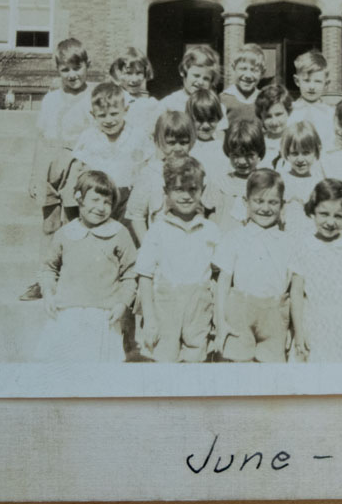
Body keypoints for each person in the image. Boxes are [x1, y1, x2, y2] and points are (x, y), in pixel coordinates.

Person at [36, 170, 137, 362]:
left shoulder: (118, 233)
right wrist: (49, 293)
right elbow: (49, 268)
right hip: (67, 314)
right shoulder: (66, 233)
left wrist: (123, 303)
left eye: (107, 202)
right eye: (95, 200)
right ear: (79, 199)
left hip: (103, 316)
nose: (101, 207)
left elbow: (130, 272)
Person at [22, 38, 93, 300]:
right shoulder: (51, 99)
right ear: (58, 71)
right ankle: (44, 279)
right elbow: (41, 138)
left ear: (87, 66)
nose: (72, 75)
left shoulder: (92, 97)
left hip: (78, 163)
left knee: (75, 223)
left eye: (77, 68)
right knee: (49, 224)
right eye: (65, 70)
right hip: (50, 163)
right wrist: (34, 175)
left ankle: (73, 278)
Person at [135, 157, 220, 363]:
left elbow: (218, 276)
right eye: (178, 189)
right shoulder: (158, 229)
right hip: (165, 307)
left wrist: (217, 317)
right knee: (163, 363)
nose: (186, 196)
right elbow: (145, 275)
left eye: (193, 189)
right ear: (166, 192)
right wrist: (150, 318)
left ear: (202, 190)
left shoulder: (211, 230)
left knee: (195, 363)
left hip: (199, 308)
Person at [288, 179, 342, 363]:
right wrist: (300, 332)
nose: (330, 222)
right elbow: (296, 293)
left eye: (338, 216)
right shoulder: (304, 247)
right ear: (313, 211)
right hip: (314, 323)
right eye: (324, 214)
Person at [214, 170, 291, 362]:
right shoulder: (234, 237)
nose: (265, 208)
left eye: (273, 202)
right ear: (245, 202)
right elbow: (223, 283)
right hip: (240, 313)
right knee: (239, 370)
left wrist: (290, 328)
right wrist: (221, 322)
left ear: (282, 205)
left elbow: (291, 285)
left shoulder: (288, 241)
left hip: (274, 316)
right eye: (258, 201)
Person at [69, 82, 152, 221]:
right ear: (93, 114)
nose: (109, 120)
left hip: (128, 195)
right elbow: (78, 166)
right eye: (102, 115)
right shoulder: (89, 136)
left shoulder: (138, 135)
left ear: (125, 110)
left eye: (114, 114)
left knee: (127, 234)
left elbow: (145, 165)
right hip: (99, 195)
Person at [124, 110, 195, 245]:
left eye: (184, 142)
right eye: (171, 143)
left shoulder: (196, 171)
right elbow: (136, 215)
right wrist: (148, 247)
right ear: (159, 142)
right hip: (160, 244)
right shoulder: (150, 173)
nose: (178, 148)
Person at [206, 119, 266, 232]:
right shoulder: (219, 183)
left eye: (249, 155)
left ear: (259, 153)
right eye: (236, 155)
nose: (242, 161)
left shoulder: (265, 182)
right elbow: (209, 212)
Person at [277, 121, 324, 239]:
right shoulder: (282, 179)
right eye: (294, 153)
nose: (300, 159)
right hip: (286, 235)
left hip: (311, 235)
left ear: (316, 152)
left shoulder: (318, 182)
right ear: (287, 153)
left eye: (306, 153)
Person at [108, 46, 160, 141]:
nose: (134, 80)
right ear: (118, 74)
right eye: (128, 73)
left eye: (139, 73)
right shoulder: (113, 99)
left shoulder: (149, 103)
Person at [287, 50, 334, 149]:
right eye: (307, 81)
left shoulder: (331, 113)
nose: (312, 87)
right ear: (297, 81)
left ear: (326, 84)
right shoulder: (290, 111)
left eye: (317, 81)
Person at [159, 44, 222, 115]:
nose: (200, 82)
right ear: (183, 72)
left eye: (206, 79)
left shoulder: (215, 105)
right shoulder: (169, 104)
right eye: (196, 76)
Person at [186, 88, 228, 183]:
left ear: (218, 118)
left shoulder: (220, 145)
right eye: (200, 120)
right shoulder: (188, 146)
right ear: (190, 119)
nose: (206, 126)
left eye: (211, 120)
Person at [221, 44, 266, 125]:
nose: (248, 75)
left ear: (262, 73)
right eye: (243, 69)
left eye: (254, 70)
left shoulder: (264, 99)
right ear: (234, 68)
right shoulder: (223, 99)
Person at [255, 84, 292, 169]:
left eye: (278, 114)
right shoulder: (259, 142)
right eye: (268, 116)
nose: (274, 122)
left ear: (288, 111)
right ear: (261, 117)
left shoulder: (294, 138)